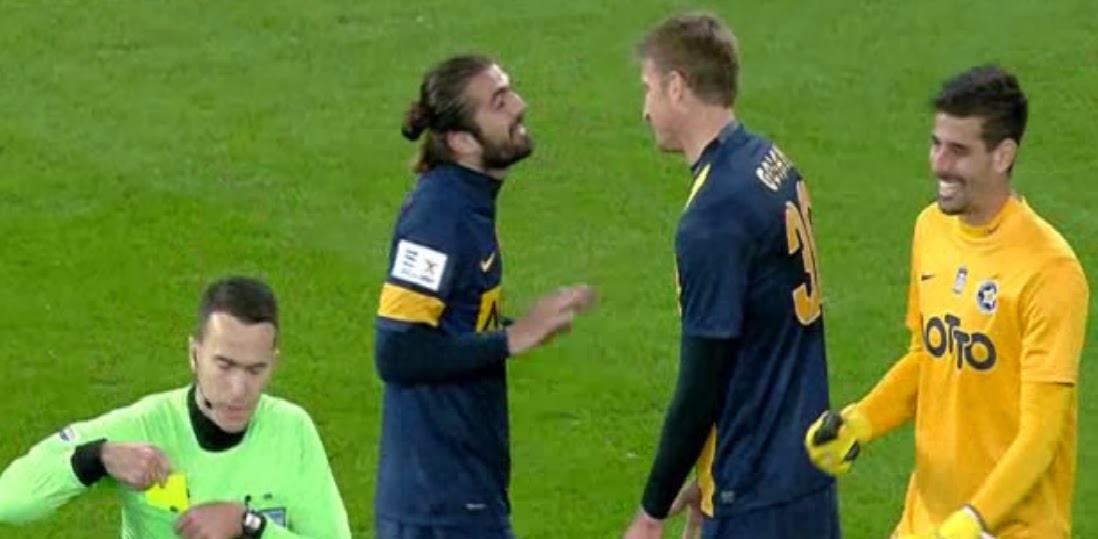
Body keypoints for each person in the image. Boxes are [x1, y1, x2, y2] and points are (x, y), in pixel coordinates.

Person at [804, 65, 1088, 539]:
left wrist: (975, 519)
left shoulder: (1049, 271)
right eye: (936, 144)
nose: (938, 163)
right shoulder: (930, 229)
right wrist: (862, 421)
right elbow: (928, 358)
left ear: (1003, 155)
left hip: (1008, 529)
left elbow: (1042, 434)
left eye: (958, 151)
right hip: (927, 521)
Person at [622, 11, 840, 539]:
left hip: (753, 490)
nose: (645, 109)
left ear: (678, 87)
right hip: (806, 468)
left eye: (649, 88)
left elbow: (702, 382)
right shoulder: (770, 160)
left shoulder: (712, 217)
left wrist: (652, 511)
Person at [372, 53, 596, 539]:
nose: (520, 104)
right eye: (499, 102)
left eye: (509, 90)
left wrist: (520, 326)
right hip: (438, 504)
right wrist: (513, 338)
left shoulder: (466, 202)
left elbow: (453, 324)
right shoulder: (436, 216)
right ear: (461, 141)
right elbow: (397, 350)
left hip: (462, 491)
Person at [0, 276, 353, 539]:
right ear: (194, 355)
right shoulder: (146, 426)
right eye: (225, 365)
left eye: (255, 370)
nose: (239, 390)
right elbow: (9, 500)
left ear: (273, 363)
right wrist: (96, 456)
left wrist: (249, 525)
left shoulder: (292, 430)